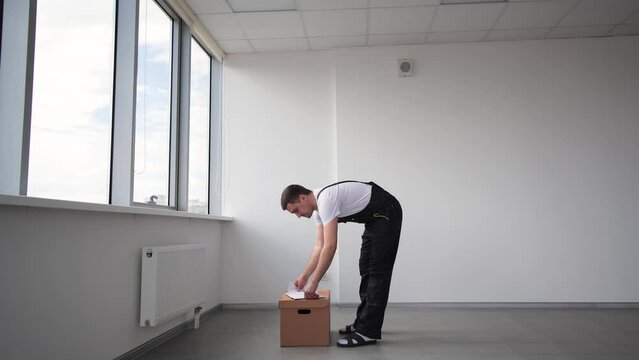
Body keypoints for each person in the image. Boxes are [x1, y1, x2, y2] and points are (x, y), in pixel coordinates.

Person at [280, 181, 402, 348]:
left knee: (377, 272)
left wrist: (314, 282)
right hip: (374, 220)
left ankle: (367, 332)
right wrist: (304, 276)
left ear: (302, 198)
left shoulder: (326, 200)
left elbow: (330, 246)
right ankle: (363, 323)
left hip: (387, 212)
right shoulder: (319, 211)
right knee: (365, 267)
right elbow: (319, 246)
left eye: (296, 211)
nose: (298, 216)